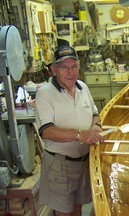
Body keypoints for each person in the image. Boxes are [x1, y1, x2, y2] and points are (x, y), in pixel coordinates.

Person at [35, 45, 104, 216]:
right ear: (54, 69)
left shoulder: (83, 88)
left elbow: (95, 113)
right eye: (64, 67)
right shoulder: (45, 94)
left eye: (74, 67)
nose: (70, 72)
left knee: (78, 208)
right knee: (64, 212)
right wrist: (80, 135)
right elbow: (47, 132)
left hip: (84, 162)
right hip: (60, 165)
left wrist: (96, 126)